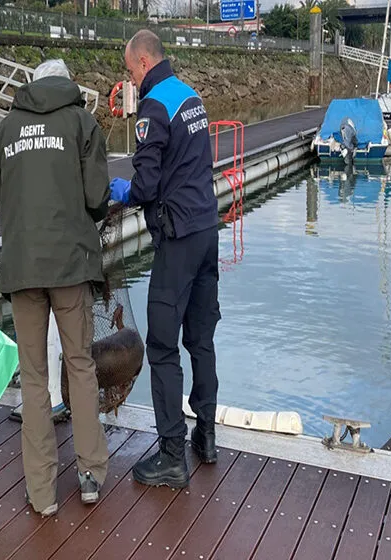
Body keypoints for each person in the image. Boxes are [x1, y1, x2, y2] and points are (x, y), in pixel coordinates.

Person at [0, 59, 111, 516]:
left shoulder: (6, 130)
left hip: (21, 266)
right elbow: (97, 198)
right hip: (71, 264)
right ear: (68, 83)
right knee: (80, 364)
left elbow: (1, 197)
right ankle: (90, 475)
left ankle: (41, 493)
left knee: (34, 375)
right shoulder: (82, 121)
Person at [109, 30, 221, 488]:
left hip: (176, 239)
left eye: (129, 69)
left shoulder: (154, 107)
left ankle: (173, 453)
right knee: (202, 338)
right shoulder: (191, 97)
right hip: (207, 230)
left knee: (160, 344)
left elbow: (147, 184)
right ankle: (206, 436)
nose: (130, 78)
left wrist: (123, 191)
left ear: (140, 62)